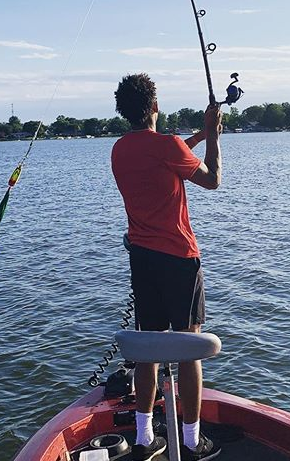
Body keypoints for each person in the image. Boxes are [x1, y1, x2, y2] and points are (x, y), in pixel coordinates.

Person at [111, 73, 222, 461]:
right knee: (188, 349)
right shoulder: (168, 145)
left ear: (124, 110)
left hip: (143, 261)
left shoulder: (120, 150)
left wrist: (199, 137)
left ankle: (144, 438)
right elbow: (212, 181)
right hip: (179, 259)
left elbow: (164, 157)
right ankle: (191, 441)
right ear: (155, 106)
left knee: (149, 347)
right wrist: (215, 138)